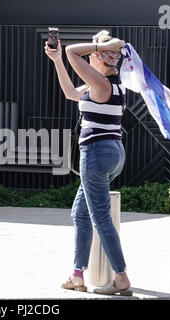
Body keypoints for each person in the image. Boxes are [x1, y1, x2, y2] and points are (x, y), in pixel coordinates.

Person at [45, 30, 132, 296]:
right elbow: (71, 93)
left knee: (101, 218)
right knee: (80, 213)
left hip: (95, 154)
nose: (90, 57)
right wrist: (57, 60)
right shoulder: (110, 83)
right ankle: (77, 276)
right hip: (113, 154)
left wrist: (96, 47)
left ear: (99, 56)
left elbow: (73, 51)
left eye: (94, 53)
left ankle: (121, 278)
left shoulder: (102, 83)